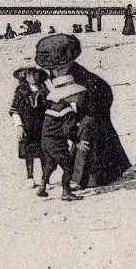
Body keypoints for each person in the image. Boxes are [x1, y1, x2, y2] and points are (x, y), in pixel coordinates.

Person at [35, 34, 132, 190]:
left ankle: (83, 178)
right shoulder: (54, 72)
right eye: (53, 69)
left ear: (70, 61)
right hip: (81, 103)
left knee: (89, 131)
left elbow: (90, 102)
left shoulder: (87, 79)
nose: (57, 72)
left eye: (60, 68)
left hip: (97, 98)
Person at [37, 73, 88, 201]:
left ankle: (42, 187)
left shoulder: (53, 106)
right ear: (68, 94)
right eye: (76, 94)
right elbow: (68, 130)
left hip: (45, 141)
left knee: (49, 164)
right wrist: (77, 141)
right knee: (68, 165)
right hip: (57, 143)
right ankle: (66, 192)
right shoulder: (67, 111)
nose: (78, 96)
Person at [10, 67, 47, 188]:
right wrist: (19, 125)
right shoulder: (21, 90)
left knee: (44, 151)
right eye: (29, 74)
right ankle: (30, 177)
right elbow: (15, 109)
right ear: (24, 76)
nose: (32, 76)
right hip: (27, 125)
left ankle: (44, 178)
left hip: (42, 125)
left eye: (34, 73)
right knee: (28, 152)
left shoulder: (44, 90)